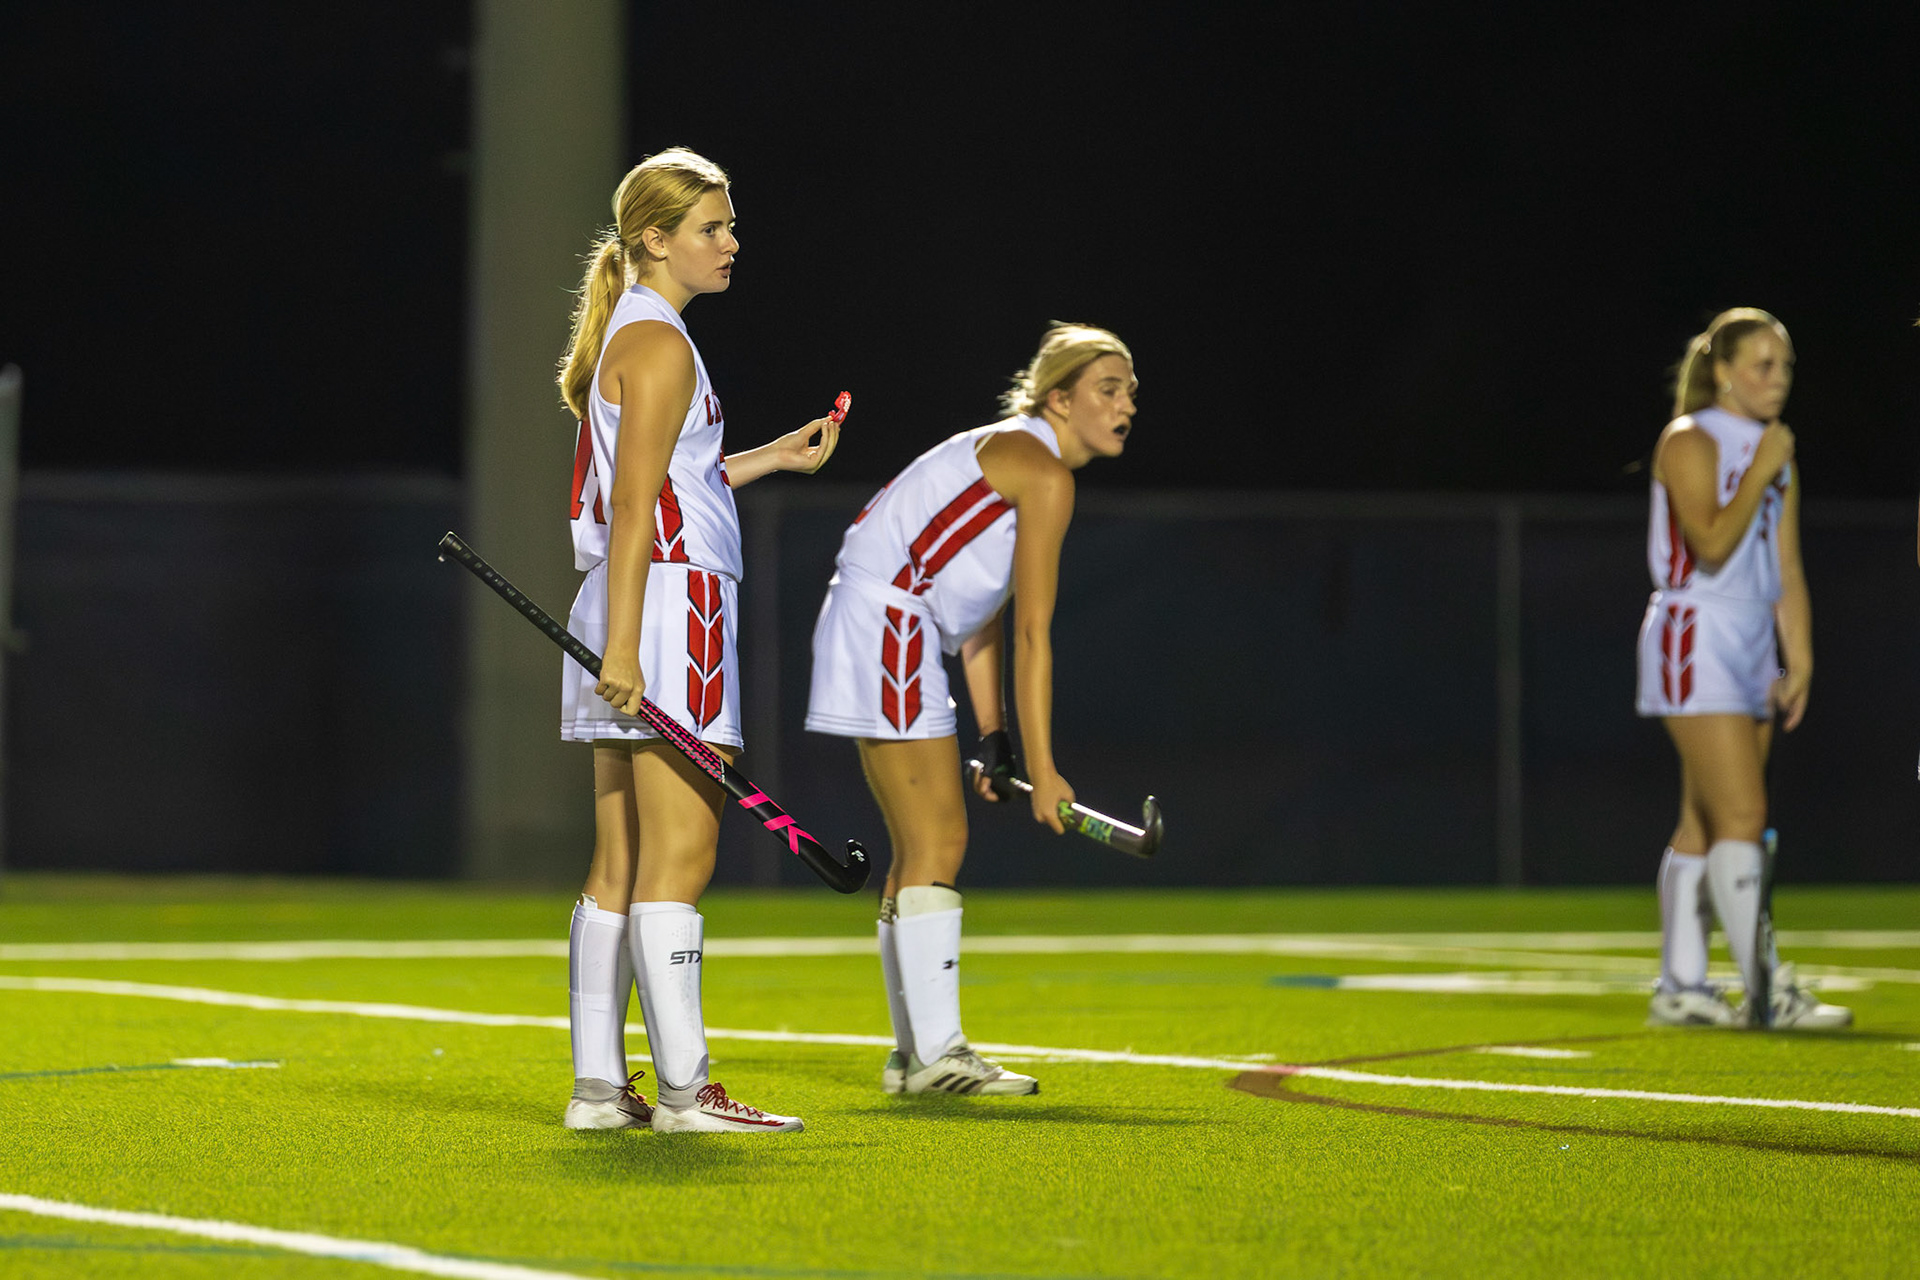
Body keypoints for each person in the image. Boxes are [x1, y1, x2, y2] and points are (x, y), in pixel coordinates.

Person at [558, 148, 844, 1133]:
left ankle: (601, 1089)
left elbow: (673, 483)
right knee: (682, 853)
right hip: (666, 607)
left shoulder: (638, 333)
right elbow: (640, 505)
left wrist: (771, 457)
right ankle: (687, 1090)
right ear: (655, 238)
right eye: (712, 228)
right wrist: (629, 648)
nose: (731, 243)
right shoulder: (661, 343)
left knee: (620, 860)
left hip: (630, 599)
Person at [805, 323, 1137, 1094]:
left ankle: (912, 1056)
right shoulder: (1044, 472)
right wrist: (1047, 772)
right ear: (1060, 399)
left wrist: (997, 739)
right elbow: (1033, 635)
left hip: (882, 620)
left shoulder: (1010, 452)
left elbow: (982, 616)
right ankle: (937, 1055)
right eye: (1108, 389)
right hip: (891, 624)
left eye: (1130, 392)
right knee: (939, 840)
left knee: (916, 850)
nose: (1126, 406)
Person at [1636, 307, 1849, 1030]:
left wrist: (1800, 655)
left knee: (1704, 823)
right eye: (1763, 364)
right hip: (1697, 631)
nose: (1778, 379)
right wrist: (1761, 468)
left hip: (1752, 637)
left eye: (1785, 366)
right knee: (1745, 816)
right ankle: (1765, 990)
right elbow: (1713, 542)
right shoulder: (1689, 439)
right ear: (1723, 371)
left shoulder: (1774, 448)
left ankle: (1681, 987)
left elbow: (1785, 562)